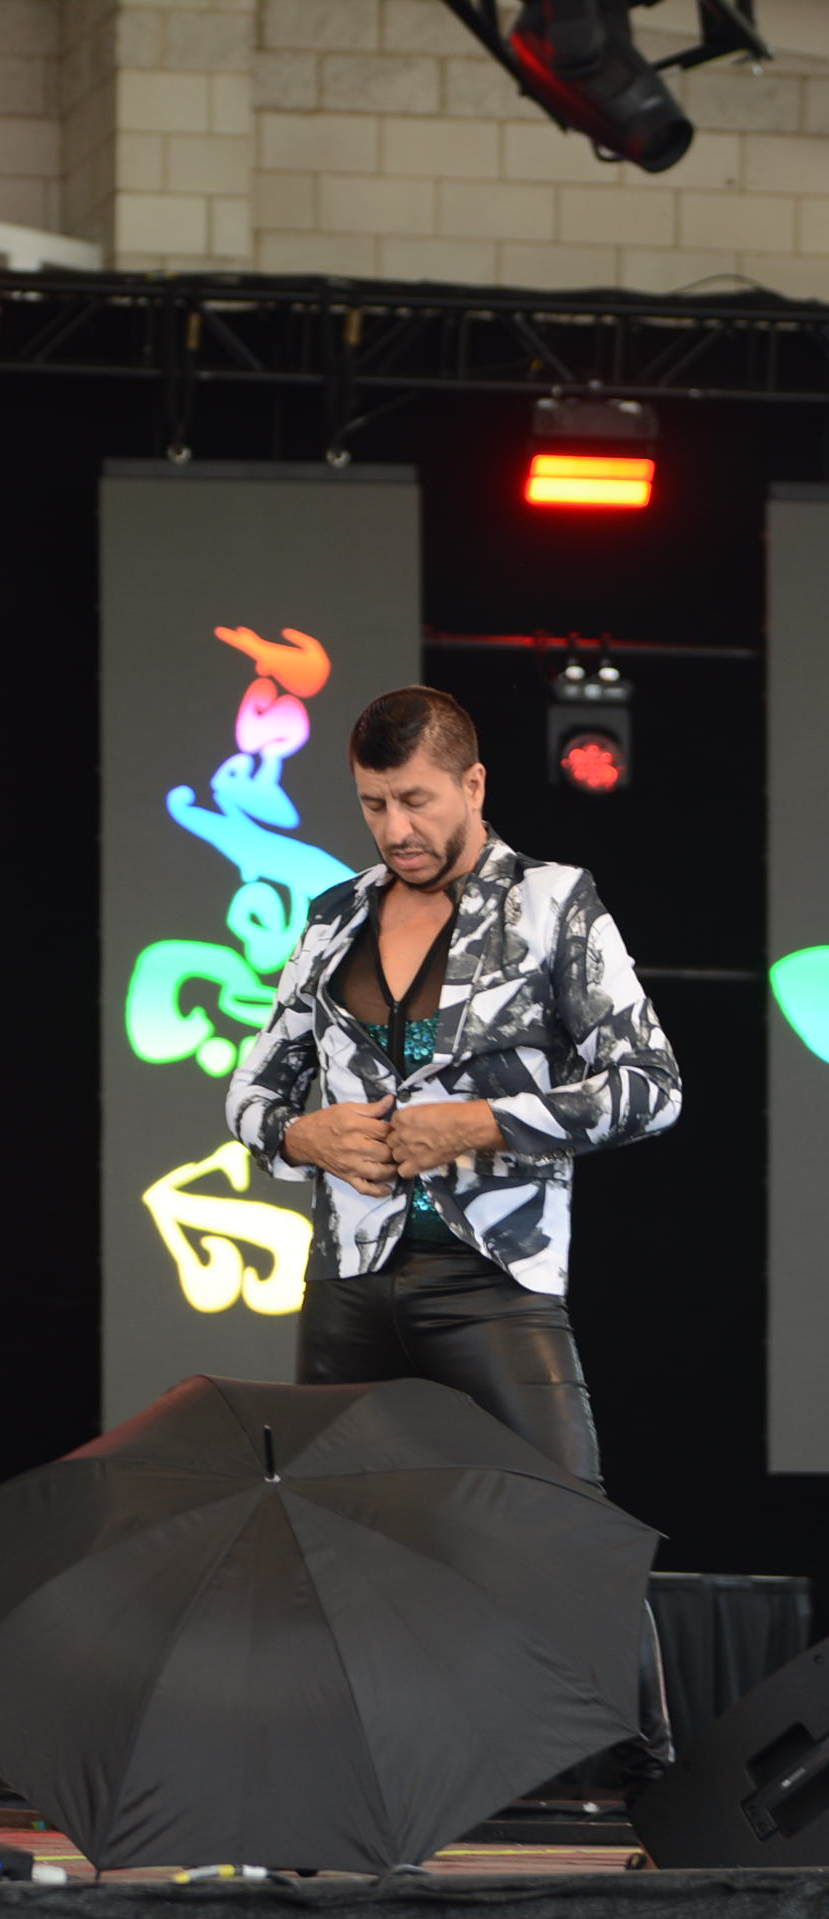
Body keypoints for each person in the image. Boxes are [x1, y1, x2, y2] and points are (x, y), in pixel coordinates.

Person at [226, 685, 682, 1777]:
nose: (396, 829)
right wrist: (303, 1134)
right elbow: (249, 1094)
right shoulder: (334, 915)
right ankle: (329, 1786)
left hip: (493, 1277)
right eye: (373, 804)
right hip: (350, 1278)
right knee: (323, 1541)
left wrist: (483, 1123)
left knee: (569, 1531)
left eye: (416, 801)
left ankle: (658, 1791)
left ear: (472, 784)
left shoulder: (552, 903)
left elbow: (652, 1086)